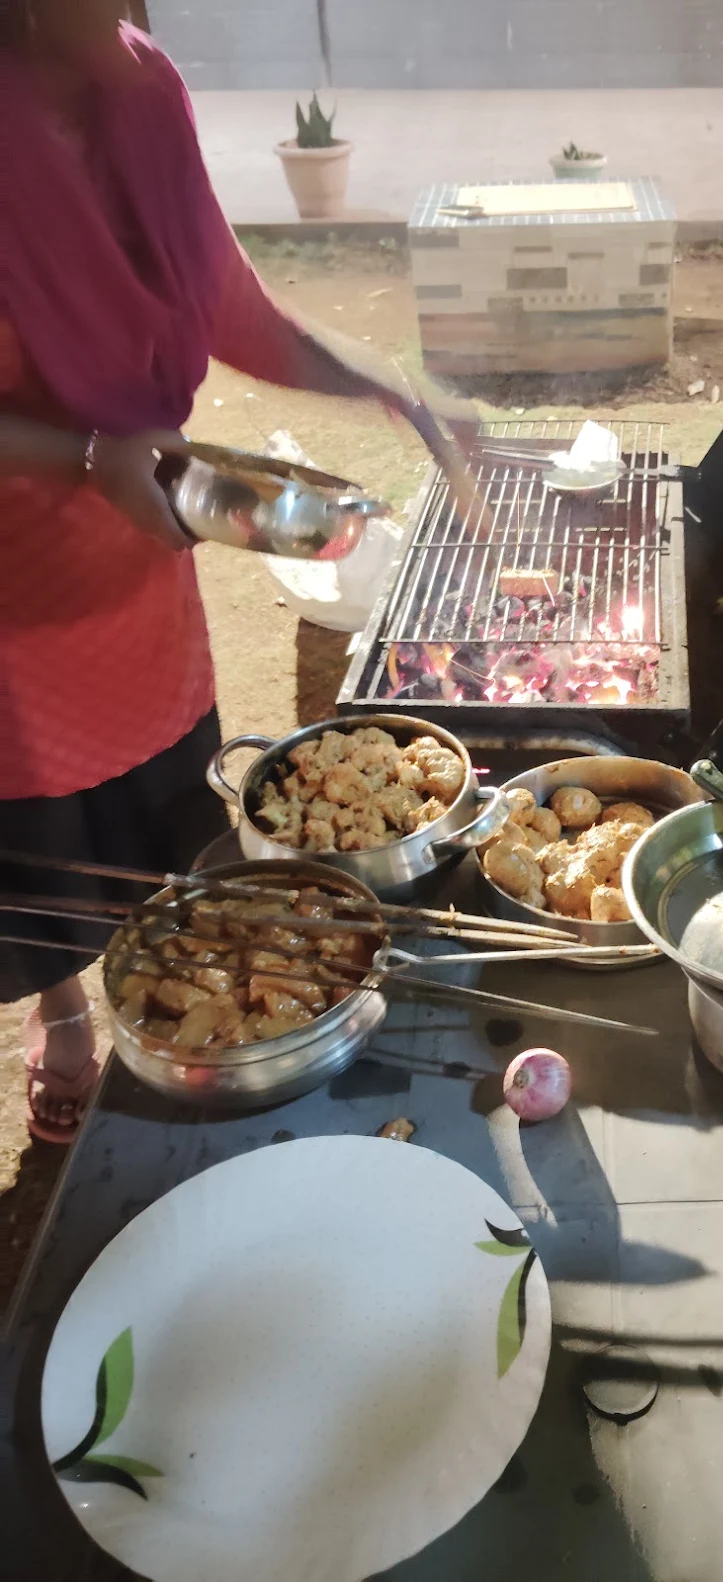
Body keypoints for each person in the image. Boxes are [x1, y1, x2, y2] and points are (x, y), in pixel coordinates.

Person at [0, 3, 465, 1141]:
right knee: (35, 849)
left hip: (141, 567)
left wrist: (392, 386)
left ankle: (165, 994)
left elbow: (222, 302)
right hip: (9, 614)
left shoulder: (140, 88)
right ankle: (62, 1010)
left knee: (155, 825)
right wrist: (84, 452)